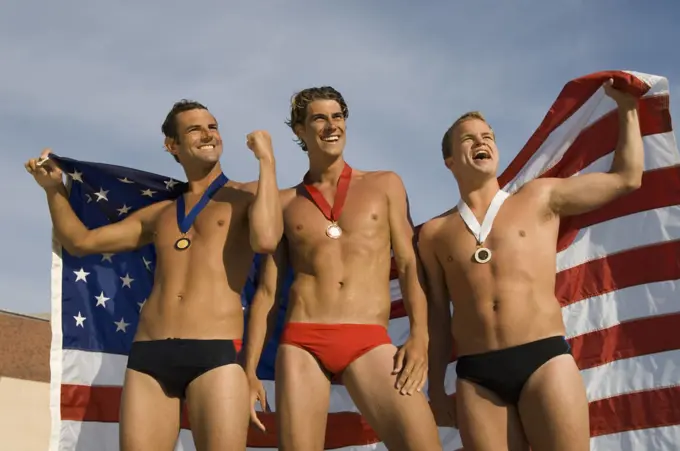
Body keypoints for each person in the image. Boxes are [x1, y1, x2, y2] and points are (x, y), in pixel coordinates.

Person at [24, 99, 283, 451]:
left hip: (215, 354)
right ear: (171, 145)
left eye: (213, 126)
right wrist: (53, 190)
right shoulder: (159, 214)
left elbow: (267, 238)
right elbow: (81, 242)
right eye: (194, 129)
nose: (208, 134)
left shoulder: (247, 195)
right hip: (149, 356)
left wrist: (267, 161)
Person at [419, 79, 643, 450]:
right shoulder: (434, 234)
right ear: (449, 161)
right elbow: (439, 319)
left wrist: (628, 109)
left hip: (543, 360)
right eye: (469, 139)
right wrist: (437, 391)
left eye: (488, 136)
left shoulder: (540, 196)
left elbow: (626, 179)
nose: (482, 142)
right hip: (476, 376)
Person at [242, 86, 442, 451]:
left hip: (368, 337)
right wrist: (248, 369)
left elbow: (410, 264)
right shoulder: (286, 202)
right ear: (300, 131)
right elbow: (268, 292)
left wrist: (420, 337)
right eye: (319, 118)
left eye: (337, 116)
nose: (331, 125)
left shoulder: (385, 184)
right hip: (303, 340)